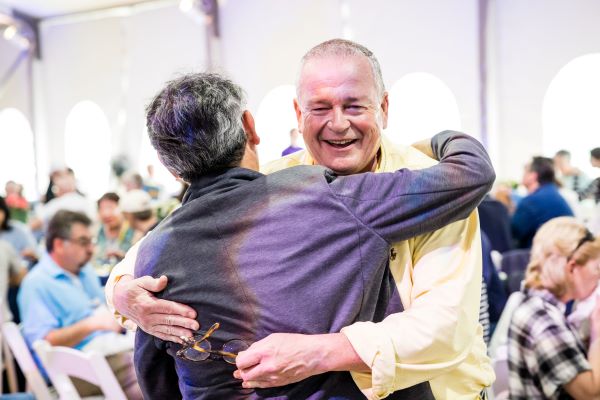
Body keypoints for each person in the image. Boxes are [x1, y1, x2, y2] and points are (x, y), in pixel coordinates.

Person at [107, 39, 495, 399]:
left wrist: (321, 352)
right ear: (297, 113)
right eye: (320, 108)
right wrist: (126, 294)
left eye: (354, 106)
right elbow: (156, 251)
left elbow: (444, 327)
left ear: (384, 108)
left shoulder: (431, 186)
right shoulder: (275, 181)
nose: (338, 123)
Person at [17, 210, 142, 399]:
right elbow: (43, 343)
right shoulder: (36, 283)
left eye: (91, 241)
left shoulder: (84, 271)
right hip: (69, 372)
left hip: (108, 353)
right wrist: (92, 324)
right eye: (83, 242)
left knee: (150, 370)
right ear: (59, 244)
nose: (91, 249)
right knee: (151, 371)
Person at [507, 217, 600, 399]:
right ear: (572, 268)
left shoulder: (538, 304)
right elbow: (590, 394)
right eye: (597, 268)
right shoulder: (543, 319)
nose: (598, 277)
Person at [512, 156, 574, 248]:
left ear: (533, 176)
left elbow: (513, 233)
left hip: (546, 252)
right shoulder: (552, 193)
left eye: (525, 171)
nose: (522, 175)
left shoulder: (532, 201)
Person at [93, 192, 134, 273]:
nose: (106, 214)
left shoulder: (133, 229)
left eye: (110, 208)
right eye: (102, 209)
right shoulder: (98, 231)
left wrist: (122, 255)